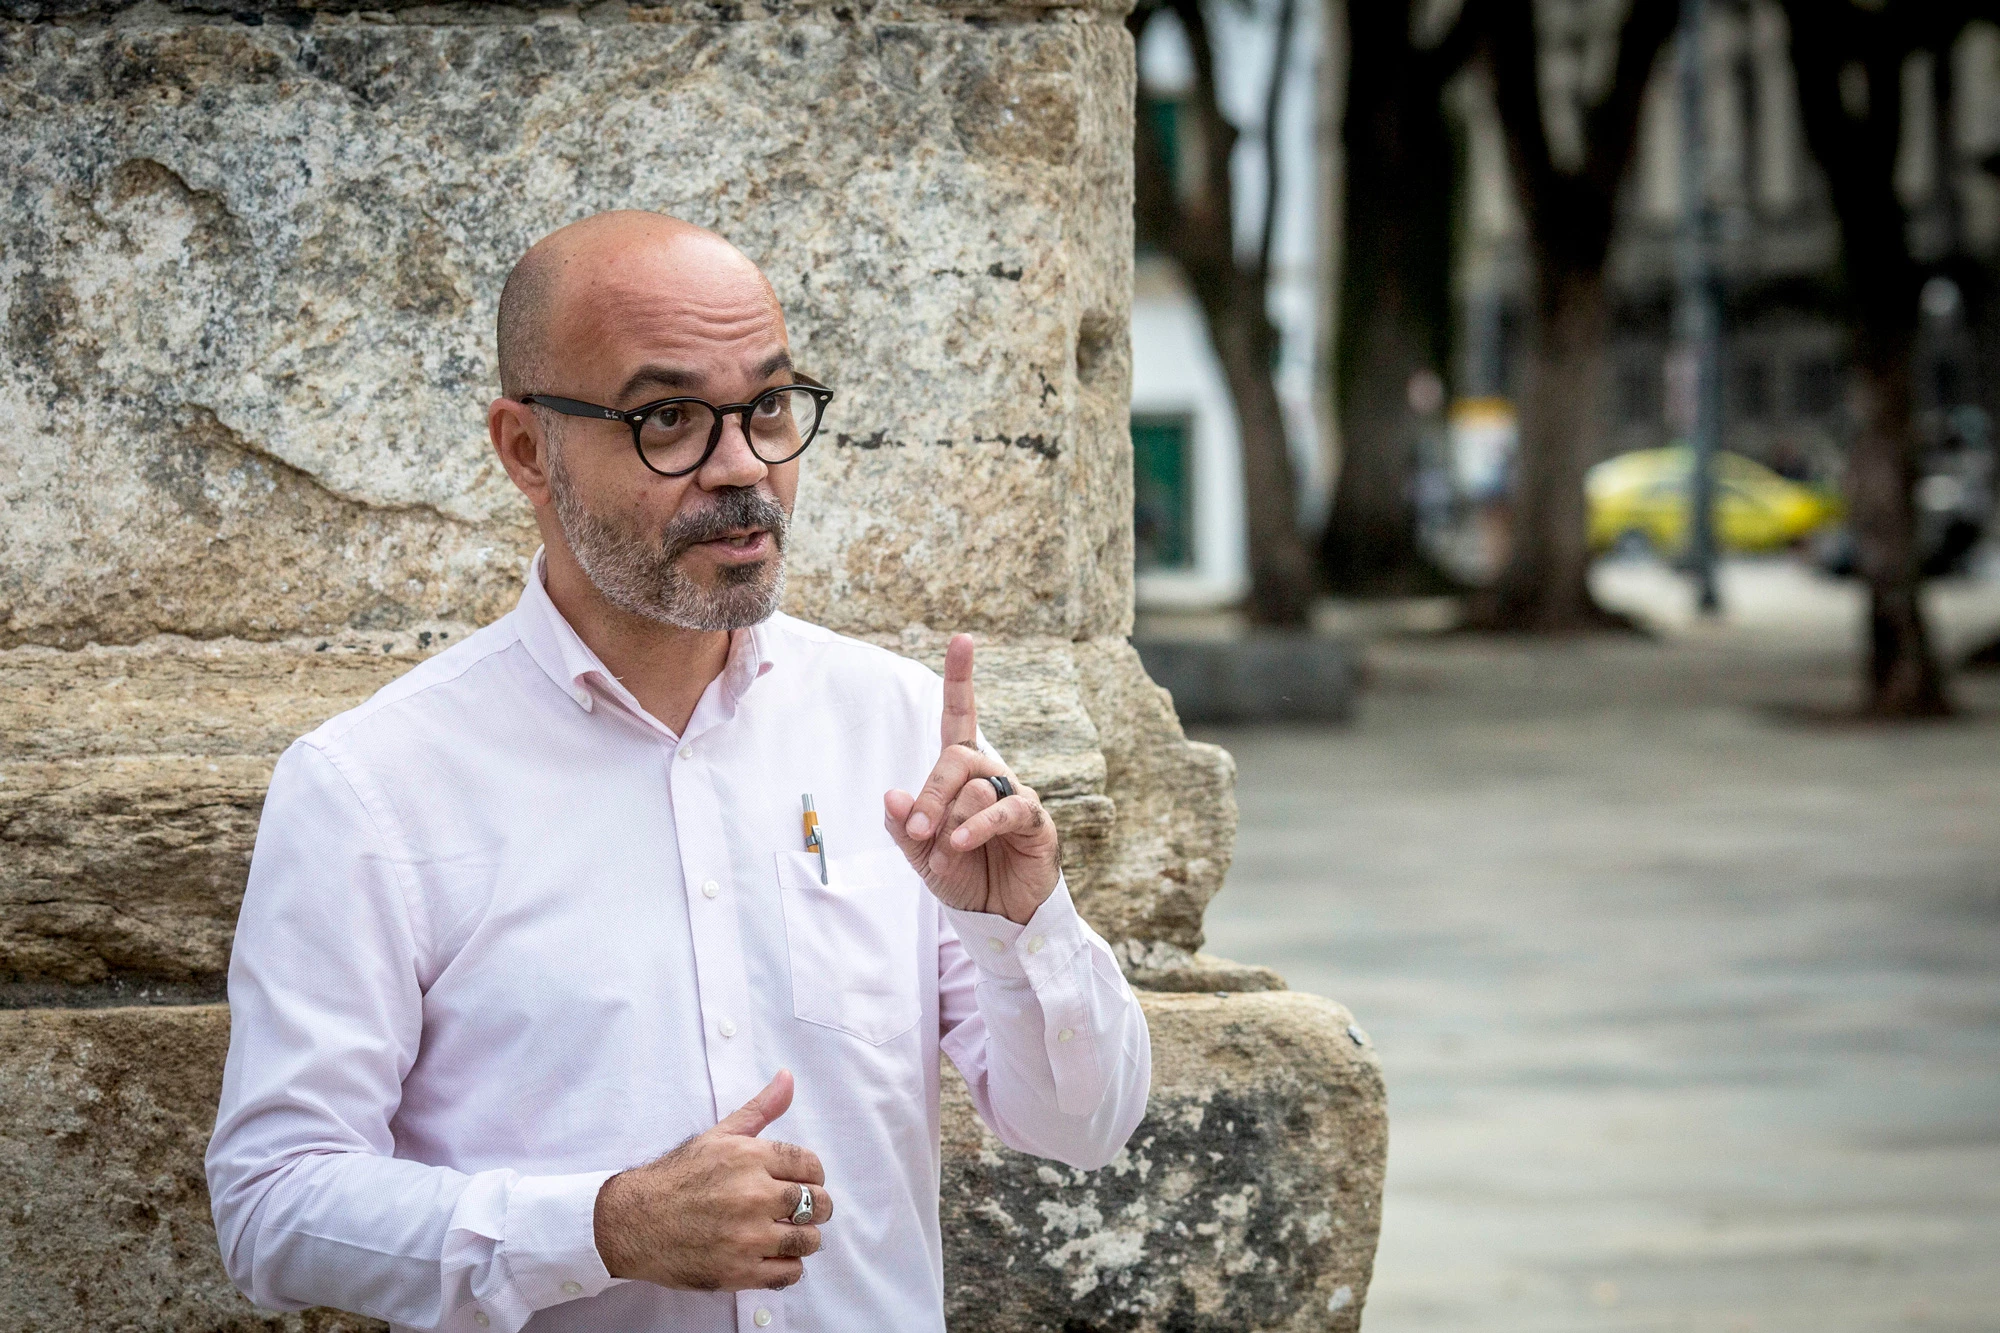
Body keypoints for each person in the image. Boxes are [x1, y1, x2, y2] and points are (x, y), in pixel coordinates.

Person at [205, 211, 1151, 1333]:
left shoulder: (898, 730)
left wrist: (1023, 928)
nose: (743, 465)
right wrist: (602, 1227)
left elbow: (1083, 1126)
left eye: (765, 405)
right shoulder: (373, 785)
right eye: (667, 419)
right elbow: (272, 1205)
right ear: (524, 451)